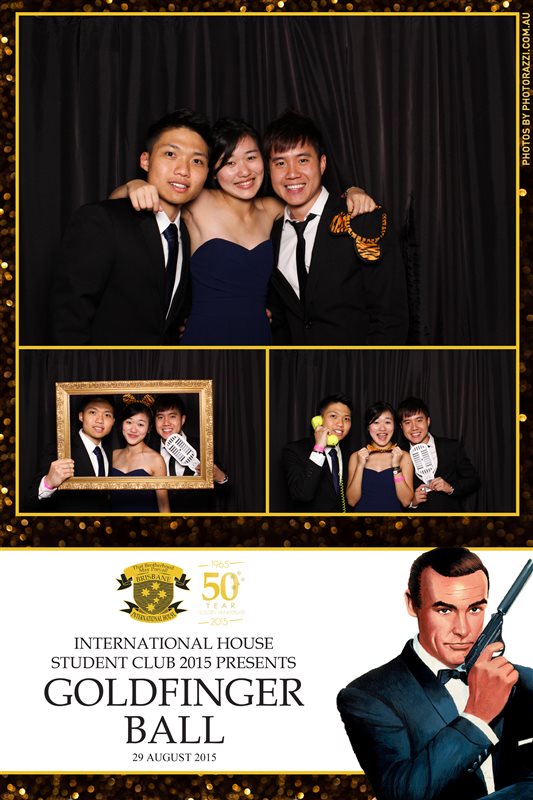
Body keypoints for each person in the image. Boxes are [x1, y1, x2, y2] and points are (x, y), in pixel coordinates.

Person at [113, 117, 373, 345]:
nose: (244, 171)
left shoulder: (273, 208)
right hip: (206, 337)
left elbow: (315, 201)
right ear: (213, 171)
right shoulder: (197, 202)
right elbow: (115, 208)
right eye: (229, 162)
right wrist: (134, 185)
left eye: (251, 157)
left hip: (259, 337)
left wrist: (352, 192)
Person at [337, 547, 533, 800]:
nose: (462, 630)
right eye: (444, 610)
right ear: (412, 604)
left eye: (474, 609)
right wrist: (477, 716)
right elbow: (404, 795)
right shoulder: (368, 696)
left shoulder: (524, 681)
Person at [51, 109, 212, 345]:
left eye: (197, 161)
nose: (183, 170)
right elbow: (68, 317)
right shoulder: (102, 220)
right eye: (170, 154)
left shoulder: (187, 236)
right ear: (145, 161)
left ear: (207, 172)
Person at [264, 110, 409, 345]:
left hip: (358, 365)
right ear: (269, 170)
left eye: (303, 160)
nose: (292, 173)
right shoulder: (271, 233)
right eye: (280, 163)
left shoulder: (363, 219)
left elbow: (390, 317)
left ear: (322, 164)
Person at [27, 395, 115, 513]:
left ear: (113, 421)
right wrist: (49, 483)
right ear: (81, 416)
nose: (100, 420)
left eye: (107, 415)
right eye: (93, 412)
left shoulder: (112, 453)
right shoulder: (60, 449)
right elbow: (30, 502)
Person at [397, 396, 481, 512]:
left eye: (419, 420)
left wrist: (450, 488)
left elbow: (474, 480)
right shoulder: (399, 455)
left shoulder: (451, 447)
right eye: (407, 422)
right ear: (401, 426)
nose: (414, 427)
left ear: (428, 421)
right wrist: (412, 502)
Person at [153, 393, 229, 512]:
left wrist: (218, 476)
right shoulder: (147, 450)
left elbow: (226, 490)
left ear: (182, 419)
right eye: (160, 417)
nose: (166, 423)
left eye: (172, 416)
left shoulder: (203, 446)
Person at [282, 393, 353, 513]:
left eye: (346, 419)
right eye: (333, 416)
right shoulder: (295, 450)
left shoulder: (351, 456)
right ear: (319, 420)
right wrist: (318, 449)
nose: (341, 424)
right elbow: (302, 494)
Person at [346, 401, 413, 512]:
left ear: (394, 426)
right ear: (368, 427)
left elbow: (406, 501)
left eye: (387, 422)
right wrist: (360, 465)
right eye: (376, 422)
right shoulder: (355, 456)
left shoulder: (404, 456)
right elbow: (351, 501)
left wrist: (396, 466)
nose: (382, 428)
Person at [111, 395, 170, 514]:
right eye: (129, 422)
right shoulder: (113, 455)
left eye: (140, 424)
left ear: (149, 429)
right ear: (122, 424)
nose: (133, 430)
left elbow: (164, 506)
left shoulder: (156, 460)